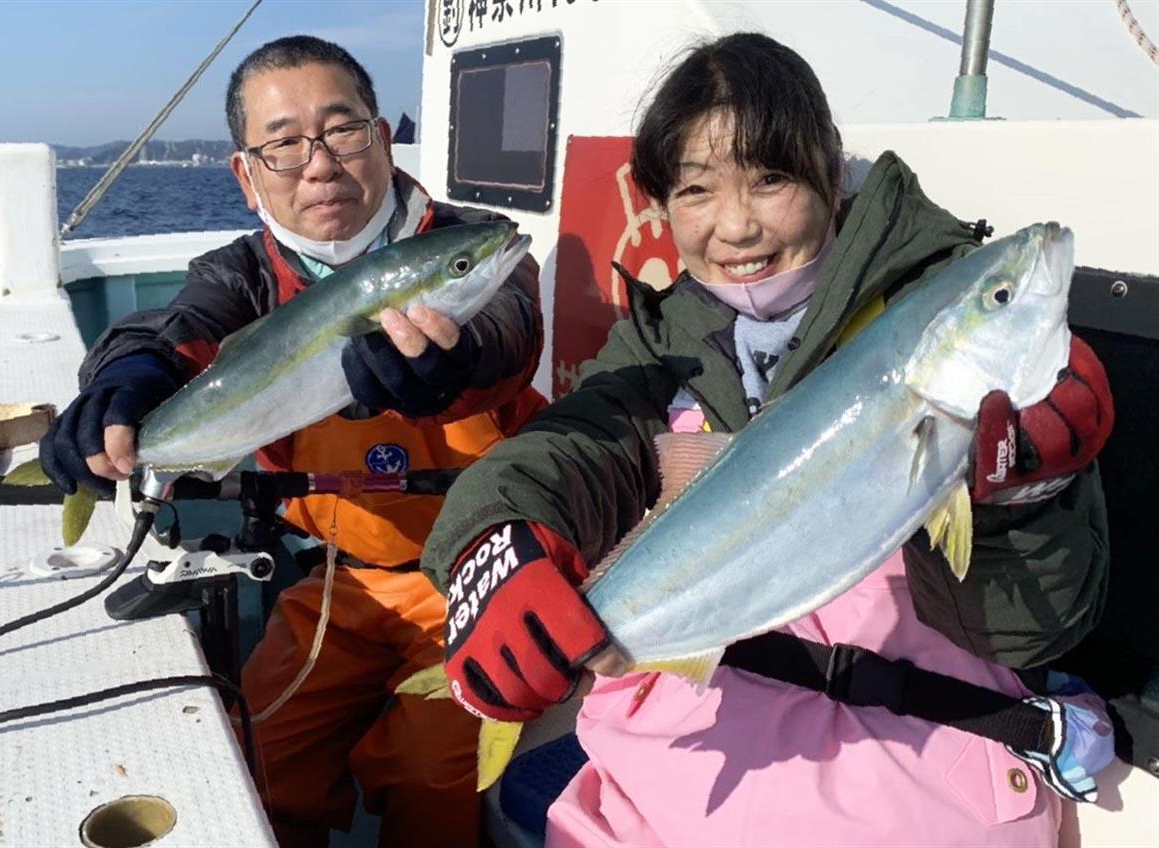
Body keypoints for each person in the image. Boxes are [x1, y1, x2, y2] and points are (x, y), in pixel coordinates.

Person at [419, 33, 1116, 847]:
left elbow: (1037, 628)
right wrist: (498, 538)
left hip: (906, 785)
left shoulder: (926, 302)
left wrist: (1022, 496)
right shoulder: (664, 338)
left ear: (828, 169)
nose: (735, 227)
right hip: (673, 774)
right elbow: (571, 446)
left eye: (771, 180)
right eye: (695, 192)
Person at [39, 35, 546, 848]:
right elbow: (172, 332)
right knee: (258, 752)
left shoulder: (467, 240)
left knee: (433, 769)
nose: (318, 164)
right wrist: (119, 381)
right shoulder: (238, 276)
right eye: (282, 143)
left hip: (477, 573)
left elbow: (510, 333)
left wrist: (454, 363)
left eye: (342, 130)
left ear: (382, 139)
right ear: (246, 174)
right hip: (337, 585)